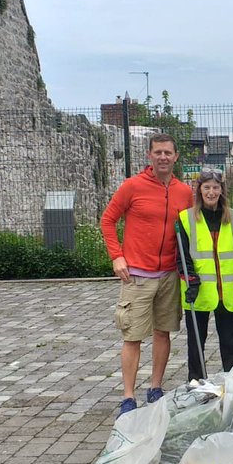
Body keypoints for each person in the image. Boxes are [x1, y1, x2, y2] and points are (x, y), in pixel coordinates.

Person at [100, 134, 194, 418]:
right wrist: (117, 256)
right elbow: (108, 220)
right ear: (149, 155)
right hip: (137, 275)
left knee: (163, 332)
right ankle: (128, 396)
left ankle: (155, 387)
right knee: (133, 336)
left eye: (168, 153)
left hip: (169, 274)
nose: (163, 157)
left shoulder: (184, 192)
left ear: (176, 157)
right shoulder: (132, 186)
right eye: (158, 152)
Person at [175, 168, 233, 381]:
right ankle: (196, 381)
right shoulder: (186, 219)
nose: (211, 192)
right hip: (198, 291)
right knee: (196, 343)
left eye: (216, 187)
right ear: (199, 190)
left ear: (222, 190)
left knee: (230, 343)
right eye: (207, 187)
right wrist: (190, 279)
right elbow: (182, 255)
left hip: (228, 292)